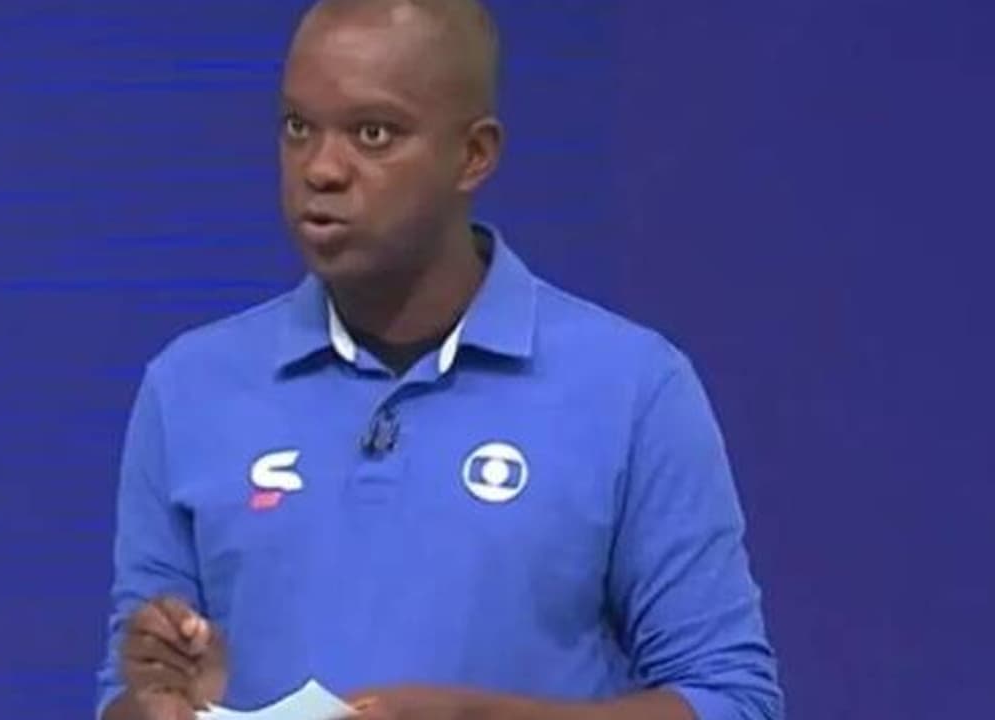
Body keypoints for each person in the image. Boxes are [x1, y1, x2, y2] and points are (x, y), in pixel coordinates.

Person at [97, 0, 783, 718]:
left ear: (474, 155)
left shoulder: (633, 390)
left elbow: (734, 701)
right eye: (298, 127)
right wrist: (155, 702)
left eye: (373, 133)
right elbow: (126, 697)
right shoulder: (188, 389)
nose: (321, 168)